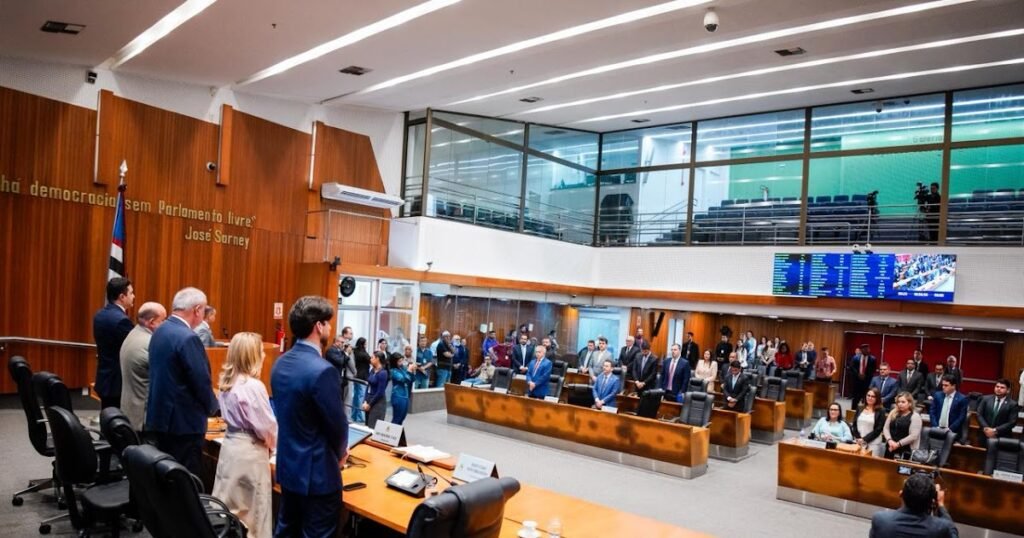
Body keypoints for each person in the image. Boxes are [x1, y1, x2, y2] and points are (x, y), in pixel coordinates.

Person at [271, 296, 347, 538]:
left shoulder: (280, 364)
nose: (331, 328)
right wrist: (342, 454)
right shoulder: (323, 370)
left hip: (289, 467)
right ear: (319, 326)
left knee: (286, 532)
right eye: (329, 323)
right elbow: (337, 426)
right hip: (318, 475)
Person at [146, 287, 218, 475]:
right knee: (185, 479)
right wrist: (215, 409)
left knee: (165, 474)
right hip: (183, 424)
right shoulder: (188, 338)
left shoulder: (161, 331)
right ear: (197, 310)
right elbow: (200, 381)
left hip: (161, 417)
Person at [212, 332, 277, 538]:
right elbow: (266, 427)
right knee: (253, 516)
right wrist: (275, 447)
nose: (264, 356)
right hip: (251, 451)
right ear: (251, 355)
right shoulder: (253, 386)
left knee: (230, 509)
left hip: (231, 448)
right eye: (260, 352)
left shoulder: (227, 382)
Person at [118, 302, 166, 430]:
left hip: (130, 410)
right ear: (151, 322)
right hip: (143, 418)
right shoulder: (150, 343)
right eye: (163, 320)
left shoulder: (133, 333)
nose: (165, 325)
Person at [869, 473, 957, 537]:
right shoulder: (941, 528)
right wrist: (940, 505)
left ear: (901, 494)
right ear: (932, 501)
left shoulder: (881, 520)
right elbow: (953, 533)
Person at [93, 276, 135, 410]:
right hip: (117, 383)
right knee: (117, 424)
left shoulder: (100, 315)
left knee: (107, 420)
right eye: (131, 293)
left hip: (104, 377)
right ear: (122, 297)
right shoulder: (122, 321)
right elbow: (133, 348)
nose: (133, 296)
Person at [883, 392, 923, 459]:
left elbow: (913, 436)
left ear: (910, 403)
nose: (900, 404)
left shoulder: (915, 416)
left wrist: (897, 444)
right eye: (898, 402)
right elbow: (886, 428)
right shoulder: (893, 412)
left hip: (905, 450)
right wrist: (889, 440)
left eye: (903, 402)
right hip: (890, 446)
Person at [852, 387, 887, 456]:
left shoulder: (881, 411)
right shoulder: (860, 407)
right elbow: (854, 424)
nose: (870, 398)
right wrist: (859, 438)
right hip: (858, 441)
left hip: (873, 443)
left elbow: (878, 429)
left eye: (873, 396)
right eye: (868, 395)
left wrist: (864, 439)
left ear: (877, 398)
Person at [324, 334, 356, 407]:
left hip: (339, 380)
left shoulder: (339, 351)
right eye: (342, 342)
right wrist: (347, 353)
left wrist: (345, 352)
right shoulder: (331, 350)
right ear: (336, 342)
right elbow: (341, 361)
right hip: (332, 380)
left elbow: (345, 361)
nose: (343, 344)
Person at [362, 352, 389, 428]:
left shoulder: (383, 373)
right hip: (369, 400)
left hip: (378, 402)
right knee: (367, 426)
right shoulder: (372, 370)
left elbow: (380, 392)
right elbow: (368, 386)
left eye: (372, 357)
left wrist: (370, 404)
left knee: (373, 427)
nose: (370, 359)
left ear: (377, 359)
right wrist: (365, 401)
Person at [389, 351, 416, 425]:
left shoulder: (403, 368)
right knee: (397, 419)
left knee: (402, 418)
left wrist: (412, 371)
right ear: (394, 362)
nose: (401, 363)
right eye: (399, 361)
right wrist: (409, 371)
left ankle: (398, 435)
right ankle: (392, 434)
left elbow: (412, 380)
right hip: (398, 396)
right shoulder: (393, 371)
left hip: (405, 396)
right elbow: (404, 380)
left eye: (402, 360)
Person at [848, 344, 877, 412]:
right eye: (865, 349)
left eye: (868, 348)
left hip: (867, 382)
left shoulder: (873, 359)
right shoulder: (855, 357)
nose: (867, 350)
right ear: (861, 350)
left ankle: (865, 413)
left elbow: (873, 370)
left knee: (866, 399)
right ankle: (853, 414)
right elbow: (852, 367)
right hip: (857, 382)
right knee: (855, 399)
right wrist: (858, 374)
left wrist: (865, 375)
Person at [351, 337, 371, 423]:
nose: (366, 345)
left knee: (356, 396)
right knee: (361, 396)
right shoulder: (364, 354)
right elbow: (370, 360)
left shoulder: (354, 352)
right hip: (363, 376)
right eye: (365, 343)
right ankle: (359, 417)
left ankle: (354, 415)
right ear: (363, 344)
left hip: (356, 375)